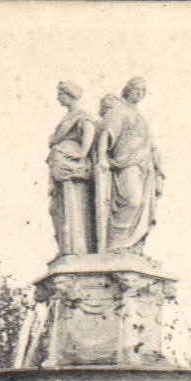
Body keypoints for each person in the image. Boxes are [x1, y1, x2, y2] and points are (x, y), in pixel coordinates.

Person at [97, 78, 162, 254]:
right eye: (136, 89)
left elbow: (149, 140)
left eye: (143, 91)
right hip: (126, 162)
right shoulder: (119, 110)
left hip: (143, 164)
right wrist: (102, 157)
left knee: (141, 204)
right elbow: (106, 132)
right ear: (127, 90)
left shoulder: (139, 115)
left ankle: (132, 245)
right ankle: (116, 244)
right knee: (132, 201)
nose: (140, 93)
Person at [47, 81, 97, 255]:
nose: (58, 98)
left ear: (70, 95)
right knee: (58, 208)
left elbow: (89, 129)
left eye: (60, 94)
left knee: (72, 204)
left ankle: (75, 248)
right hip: (61, 166)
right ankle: (66, 248)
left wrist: (82, 153)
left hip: (72, 166)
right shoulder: (68, 117)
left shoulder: (81, 115)